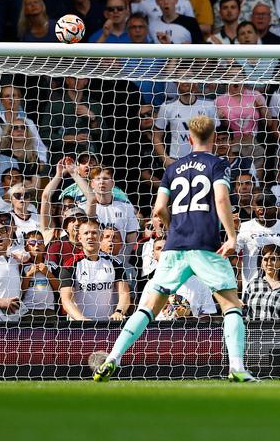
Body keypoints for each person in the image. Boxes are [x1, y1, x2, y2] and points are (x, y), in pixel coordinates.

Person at [93, 115, 257, 382]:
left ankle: (112, 358)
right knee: (231, 307)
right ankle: (237, 367)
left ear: (189, 139)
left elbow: (158, 208)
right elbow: (221, 197)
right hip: (206, 246)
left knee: (147, 309)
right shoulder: (218, 164)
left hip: (174, 247)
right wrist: (231, 236)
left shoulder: (173, 168)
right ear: (213, 138)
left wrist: (174, 228)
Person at [59, 218, 130, 321]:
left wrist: (119, 311)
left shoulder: (115, 263)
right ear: (79, 238)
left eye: (94, 233)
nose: (90, 237)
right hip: (80, 326)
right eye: (86, 233)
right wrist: (81, 319)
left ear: (101, 237)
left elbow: (124, 293)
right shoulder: (70, 265)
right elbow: (66, 300)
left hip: (108, 324)